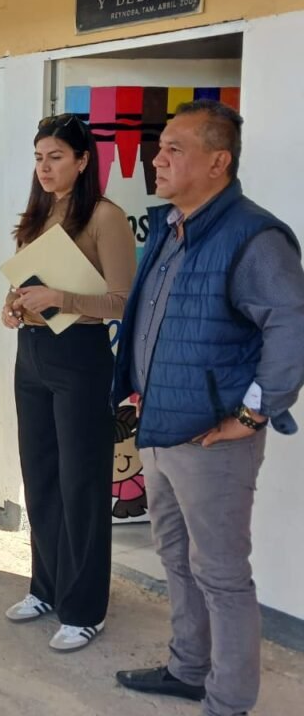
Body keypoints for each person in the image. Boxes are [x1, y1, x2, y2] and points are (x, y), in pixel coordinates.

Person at [112, 100, 304, 715]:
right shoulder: (173, 227)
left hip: (213, 440)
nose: (156, 158)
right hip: (164, 427)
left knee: (221, 574)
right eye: (159, 147)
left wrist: (252, 414)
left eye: (174, 149)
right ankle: (188, 669)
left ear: (218, 161)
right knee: (175, 556)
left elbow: (292, 326)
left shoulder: (254, 235)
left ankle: (228, 700)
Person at [0, 114, 136, 652]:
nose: (45, 168)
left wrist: (63, 298)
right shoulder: (37, 215)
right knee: (40, 478)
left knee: (81, 484)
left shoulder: (106, 217)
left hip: (80, 357)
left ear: (83, 161)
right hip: (31, 354)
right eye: (39, 158)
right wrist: (12, 306)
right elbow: (26, 286)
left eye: (56, 157)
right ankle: (47, 588)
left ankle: (85, 609)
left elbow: (123, 302)